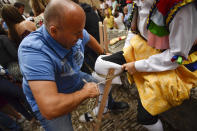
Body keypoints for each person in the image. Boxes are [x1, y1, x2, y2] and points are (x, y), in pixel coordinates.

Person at [18, 0, 108, 130]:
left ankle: (100, 110)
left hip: (73, 78)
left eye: (81, 30)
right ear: (54, 31)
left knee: (103, 85)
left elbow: (88, 38)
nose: (81, 36)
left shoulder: (73, 30)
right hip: (51, 100)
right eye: (77, 33)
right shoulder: (33, 51)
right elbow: (50, 108)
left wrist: (104, 53)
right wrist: (84, 93)